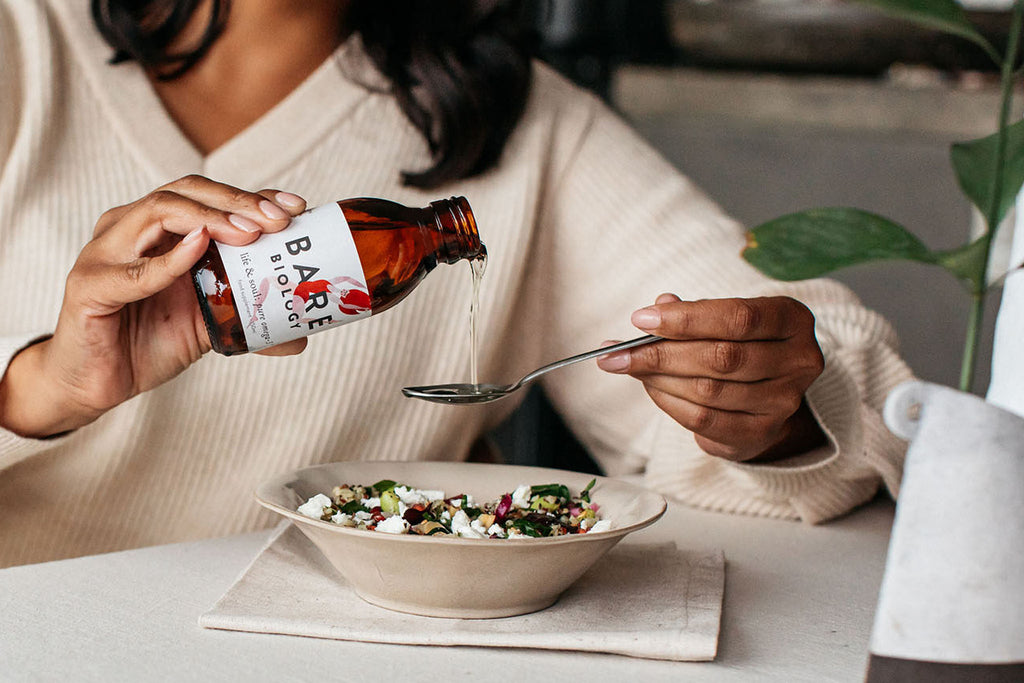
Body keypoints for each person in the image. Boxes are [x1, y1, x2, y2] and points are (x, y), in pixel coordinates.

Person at [0, 0, 911, 568]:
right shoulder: (24, 45)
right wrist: (37, 392)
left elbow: (842, 383)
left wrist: (781, 404)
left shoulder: (517, 126)